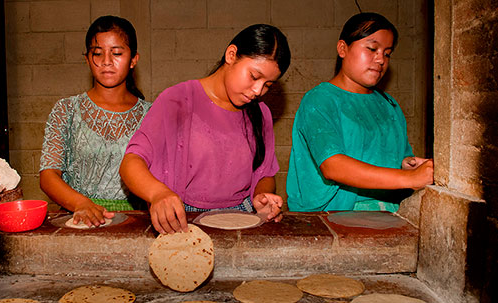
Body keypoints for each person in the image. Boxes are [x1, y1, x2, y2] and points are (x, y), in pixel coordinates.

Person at [120, 24, 291, 234]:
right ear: (231, 54)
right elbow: (131, 163)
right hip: (184, 219)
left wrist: (262, 198)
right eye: (254, 77)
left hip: (243, 219)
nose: (258, 91)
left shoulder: (260, 113)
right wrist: (157, 194)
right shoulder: (178, 100)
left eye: (268, 85)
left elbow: (264, 173)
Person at [287, 12, 434, 212]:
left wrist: (405, 165)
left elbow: (384, 156)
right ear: (342, 48)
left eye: (387, 53)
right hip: (332, 218)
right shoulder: (320, 101)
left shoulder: (388, 105)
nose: (381, 59)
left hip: (388, 214)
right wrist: (410, 178)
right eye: (372, 48)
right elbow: (333, 166)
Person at [40, 15, 151, 227]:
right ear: (87, 59)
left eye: (117, 53)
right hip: (79, 219)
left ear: (133, 60)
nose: (107, 61)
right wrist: (81, 203)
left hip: (136, 222)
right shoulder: (67, 110)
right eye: (97, 54)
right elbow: (48, 175)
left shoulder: (151, 114)